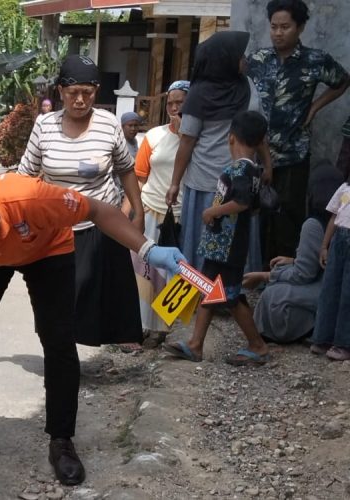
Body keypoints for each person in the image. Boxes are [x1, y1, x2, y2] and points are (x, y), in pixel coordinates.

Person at [0, 173, 185, 485]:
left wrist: (148, 249)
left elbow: (98, 210)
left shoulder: (36, 199)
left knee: (58, 340)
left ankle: (61, 440)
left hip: (46, 248)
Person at [18, 55, 145, 348]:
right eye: (73, 92)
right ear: (60, 91)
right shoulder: (44, 125)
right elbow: (25, 173)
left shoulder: (109, 124)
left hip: (101, 224)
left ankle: (74, 358)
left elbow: (125, 168)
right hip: (56, 227)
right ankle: (62, 354)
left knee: (96, 296)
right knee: (58, 298)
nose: (79, 100)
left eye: (87, 93)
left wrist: (136, 210)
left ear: (96, 91)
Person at [246, 0, 349, 264]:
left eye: (285, 27)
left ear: (300, 28)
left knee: (289, 217)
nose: (278, 33)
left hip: (295, 153)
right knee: (261, 215)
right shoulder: (258, 59)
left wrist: (315, 106)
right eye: (274, 27)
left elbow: (342, 81)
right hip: (262, 151)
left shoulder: (315, 60)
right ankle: (261, 276)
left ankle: (286, 274)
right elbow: (236, 77)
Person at [164, 111, 270, 365]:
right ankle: (195, 345)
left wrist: (213, 211)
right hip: (226, 244)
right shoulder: (254, 170)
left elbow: (243, 202)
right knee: (211, 291)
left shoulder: (240, 169)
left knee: (229, 297)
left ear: (231, 138)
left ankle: (257, 345)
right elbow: (254, 206)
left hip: (226, 245)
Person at [165, 31, 270, 273]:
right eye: (240, 55)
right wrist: (174, 183)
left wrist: (267, 164)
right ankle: (204, 296)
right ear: (224, 59)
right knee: (206, 245)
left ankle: (235, 294)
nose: (245, 60)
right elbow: (187, 143)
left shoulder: (248, 86)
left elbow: (257, 129)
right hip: (206, 183)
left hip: (243, 179)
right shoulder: (198, 94)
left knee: (238, 243)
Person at [243, 163, 343, 343]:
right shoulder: (341, 219)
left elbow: (303, 274)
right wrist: (293, 260)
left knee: (273, 293)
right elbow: (321, 262)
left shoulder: (313, 225)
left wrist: (266, 276)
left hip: (326, 291)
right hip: (336, 287)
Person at [133, 80, 189, 342]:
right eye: (171, 102)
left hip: (182, 214)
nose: (174, 107)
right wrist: (134, 210)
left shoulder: (199, 138)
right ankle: (144, 324)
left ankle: (165, 328)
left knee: (174, 273)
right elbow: (140, 176)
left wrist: (184, 133)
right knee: (148, 272)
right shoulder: (153, 135)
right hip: (152, 207)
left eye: (181, 102)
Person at [309, 169, 350, 361]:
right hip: (339, 240)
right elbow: (334, 217)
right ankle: (322, 338)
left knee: (347, 294)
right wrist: (324, 246)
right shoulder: (344, 188)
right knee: (330, 289)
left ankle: (343, 343)